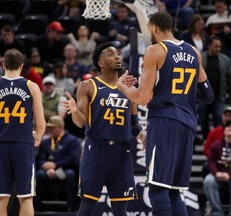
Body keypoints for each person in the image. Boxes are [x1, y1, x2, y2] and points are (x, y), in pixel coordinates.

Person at [117, 11, 214, 216]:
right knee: (173, 192)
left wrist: (122, 88)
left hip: (164, 122)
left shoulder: (155, 50)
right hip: (188, 124)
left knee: (157, 190)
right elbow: (208, 95)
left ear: (153, 28)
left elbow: (142, 99)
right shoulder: (194, 52)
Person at [62, 42, 145, 216]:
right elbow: (81, 123)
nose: (117, 56)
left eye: (118, 53)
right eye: (110, 53)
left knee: (121, 211)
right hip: (96, 151)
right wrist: (75, 110)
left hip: (122, 152)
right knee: (87, 208)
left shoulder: (129, 88)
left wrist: (142, 134)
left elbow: (134, 123)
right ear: (100, 63)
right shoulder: (88, 86)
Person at [0, 49, 46, 216]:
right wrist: (37, 138)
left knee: (1, 198)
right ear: (22, 66)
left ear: (3, 65)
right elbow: (41, 122)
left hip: (1, 145)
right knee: (26, 198)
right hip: (23, 145)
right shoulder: (32, 86)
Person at [35, 115, 81, 212]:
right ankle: (36, 207)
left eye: (52, 127)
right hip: (47, 171)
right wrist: (46, 166)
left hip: (64, 170)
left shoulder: (73, 141)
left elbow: (74, 159)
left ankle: (71, 207)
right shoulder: (45, 142)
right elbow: (40, 158)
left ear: (60, 127)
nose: (49, 130)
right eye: (49, 127)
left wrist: (56, 165)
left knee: (71, 174)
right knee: (39, 175)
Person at [198, 36, 231, 140]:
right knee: (203, 118)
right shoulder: (200, 58)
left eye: (220, 47)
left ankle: (217, 141)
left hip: (218, 95)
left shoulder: (225, 60)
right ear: (209, 46)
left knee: (218, 118)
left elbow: (229, 78)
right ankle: (206, 139)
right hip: (202, 96)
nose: (218, 49)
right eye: (216, 46)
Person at [203, 120, 231, 216]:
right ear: (224, 131)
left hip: (230, 175)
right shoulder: (216, 144)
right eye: (228, 127)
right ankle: (217, 212)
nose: (230, 128)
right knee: (208, 180)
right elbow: (210, 161)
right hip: (217, 174)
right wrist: (216, 173)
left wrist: (229, 174)